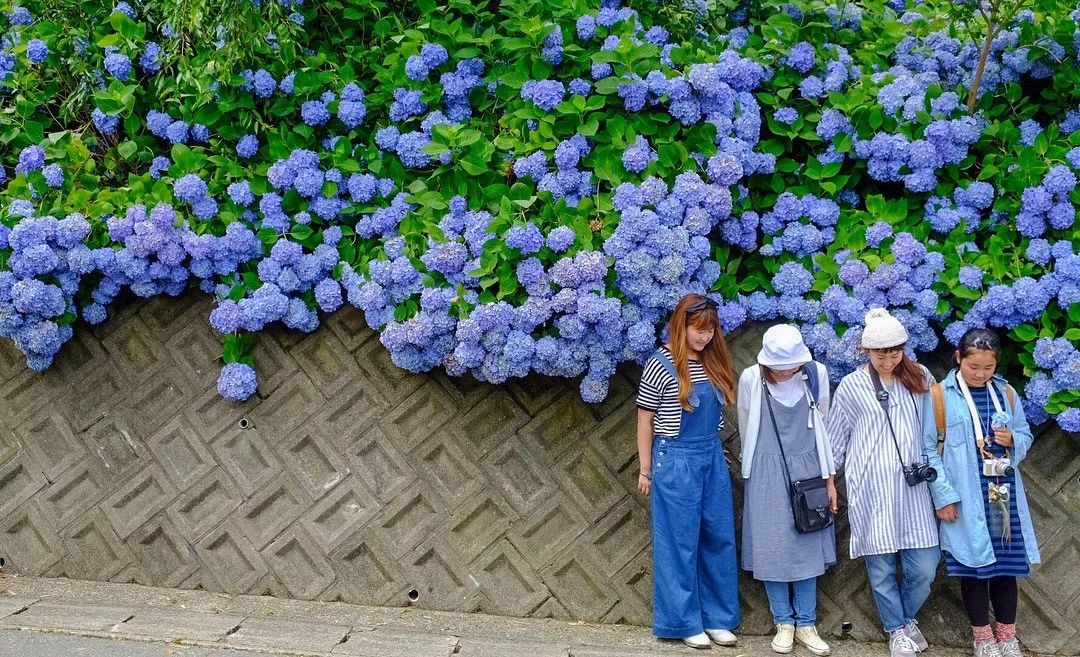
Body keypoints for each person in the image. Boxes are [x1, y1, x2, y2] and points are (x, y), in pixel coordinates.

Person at [827, 309, 939, 657]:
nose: (888, 359)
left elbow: (938, 430)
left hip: (915, 490)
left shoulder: (921, 377)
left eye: (895, 351)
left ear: (904, 347)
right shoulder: (851, 386)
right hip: (870, 489)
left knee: (925, 566)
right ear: (866, 352)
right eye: (880, 353)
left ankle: (903, 621)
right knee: (881, 569)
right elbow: (835, 439)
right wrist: (831, 482)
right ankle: (897, 631)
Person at [921, 329, 1039, 657]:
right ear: (959, 358)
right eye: (974, 366)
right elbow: (929, 450)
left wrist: (1013, 440)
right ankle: (983, 639)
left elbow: (1025, 434)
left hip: (1004, 497)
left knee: (1006, 569)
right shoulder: (939, 396)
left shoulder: (1006, 393)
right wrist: (943, 497)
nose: (981, 374)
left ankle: (1007, 636)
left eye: (988, 367)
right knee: (973, 570)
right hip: (966, 498)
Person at [635, 293, 740, 649]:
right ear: (681, 324)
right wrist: (645, 470)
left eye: (710, 331)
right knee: (678, 544)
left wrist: (716, 450)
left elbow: (716, 416)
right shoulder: (660, 363)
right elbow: (645, 419)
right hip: (675, 460)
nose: (704, 337)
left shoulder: (713, 361)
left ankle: (717, 618)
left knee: (718, 536)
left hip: (710, 458)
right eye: (697, 329)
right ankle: (683, 621)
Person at [737, 324, 837, 656]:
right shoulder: (752, 378)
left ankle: (807, 623)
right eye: (780, 366)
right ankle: (784, 622)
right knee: (772, 547)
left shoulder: (817, 374)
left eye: (792, 364)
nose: (787, 371)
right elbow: (745, 422)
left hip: (808, 469)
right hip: (765, 469)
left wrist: (829, 480)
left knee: (807, 544)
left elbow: (823, 423)